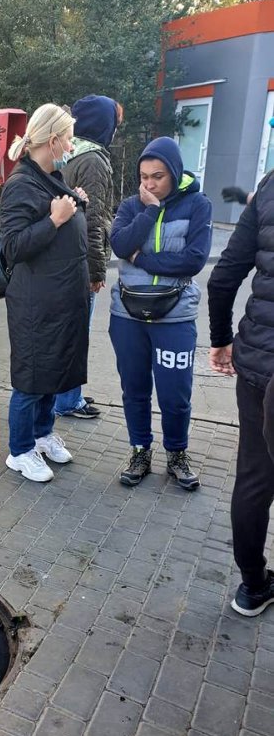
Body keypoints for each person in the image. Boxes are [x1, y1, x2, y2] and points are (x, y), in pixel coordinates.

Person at [109, 136, 212, 490]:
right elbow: (120, 245)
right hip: (127, 315)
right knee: (134, 388)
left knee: (174, 392)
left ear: (175, 173)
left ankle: (176, 454)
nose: (149, 184)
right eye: (144, 176)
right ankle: (140, 451)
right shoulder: (130, 206)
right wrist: (151, 210)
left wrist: (143, 259)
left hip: (175, 317)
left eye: (158, 176)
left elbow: (193, 260)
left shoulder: (198, 205)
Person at [0, 103, 90, 483]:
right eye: (68, 138)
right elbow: (13, 247)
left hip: (63, 298)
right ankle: (19, 450)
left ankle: (41, 434)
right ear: (52, 140)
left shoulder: (52, 176)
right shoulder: (21, 183)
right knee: (32, 377)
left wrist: (75, 201)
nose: (71, 144)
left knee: (54, 370)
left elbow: (64, 212)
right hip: (37, 303)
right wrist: (55, 220)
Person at [208, 169, 274, 616]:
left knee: (254, 478)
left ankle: (252, 586)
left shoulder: (271, 186)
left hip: (258, 364)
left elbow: (222, 277)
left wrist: (220, 338)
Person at [55, 95, 122, 419]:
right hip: (80, 261)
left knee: (64, 332)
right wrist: (96, 269)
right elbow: (94, 218)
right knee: (75, 334)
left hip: (61, 257)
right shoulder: (93, 159)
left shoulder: (68, 151)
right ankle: (67, 401)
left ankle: (66, 396)